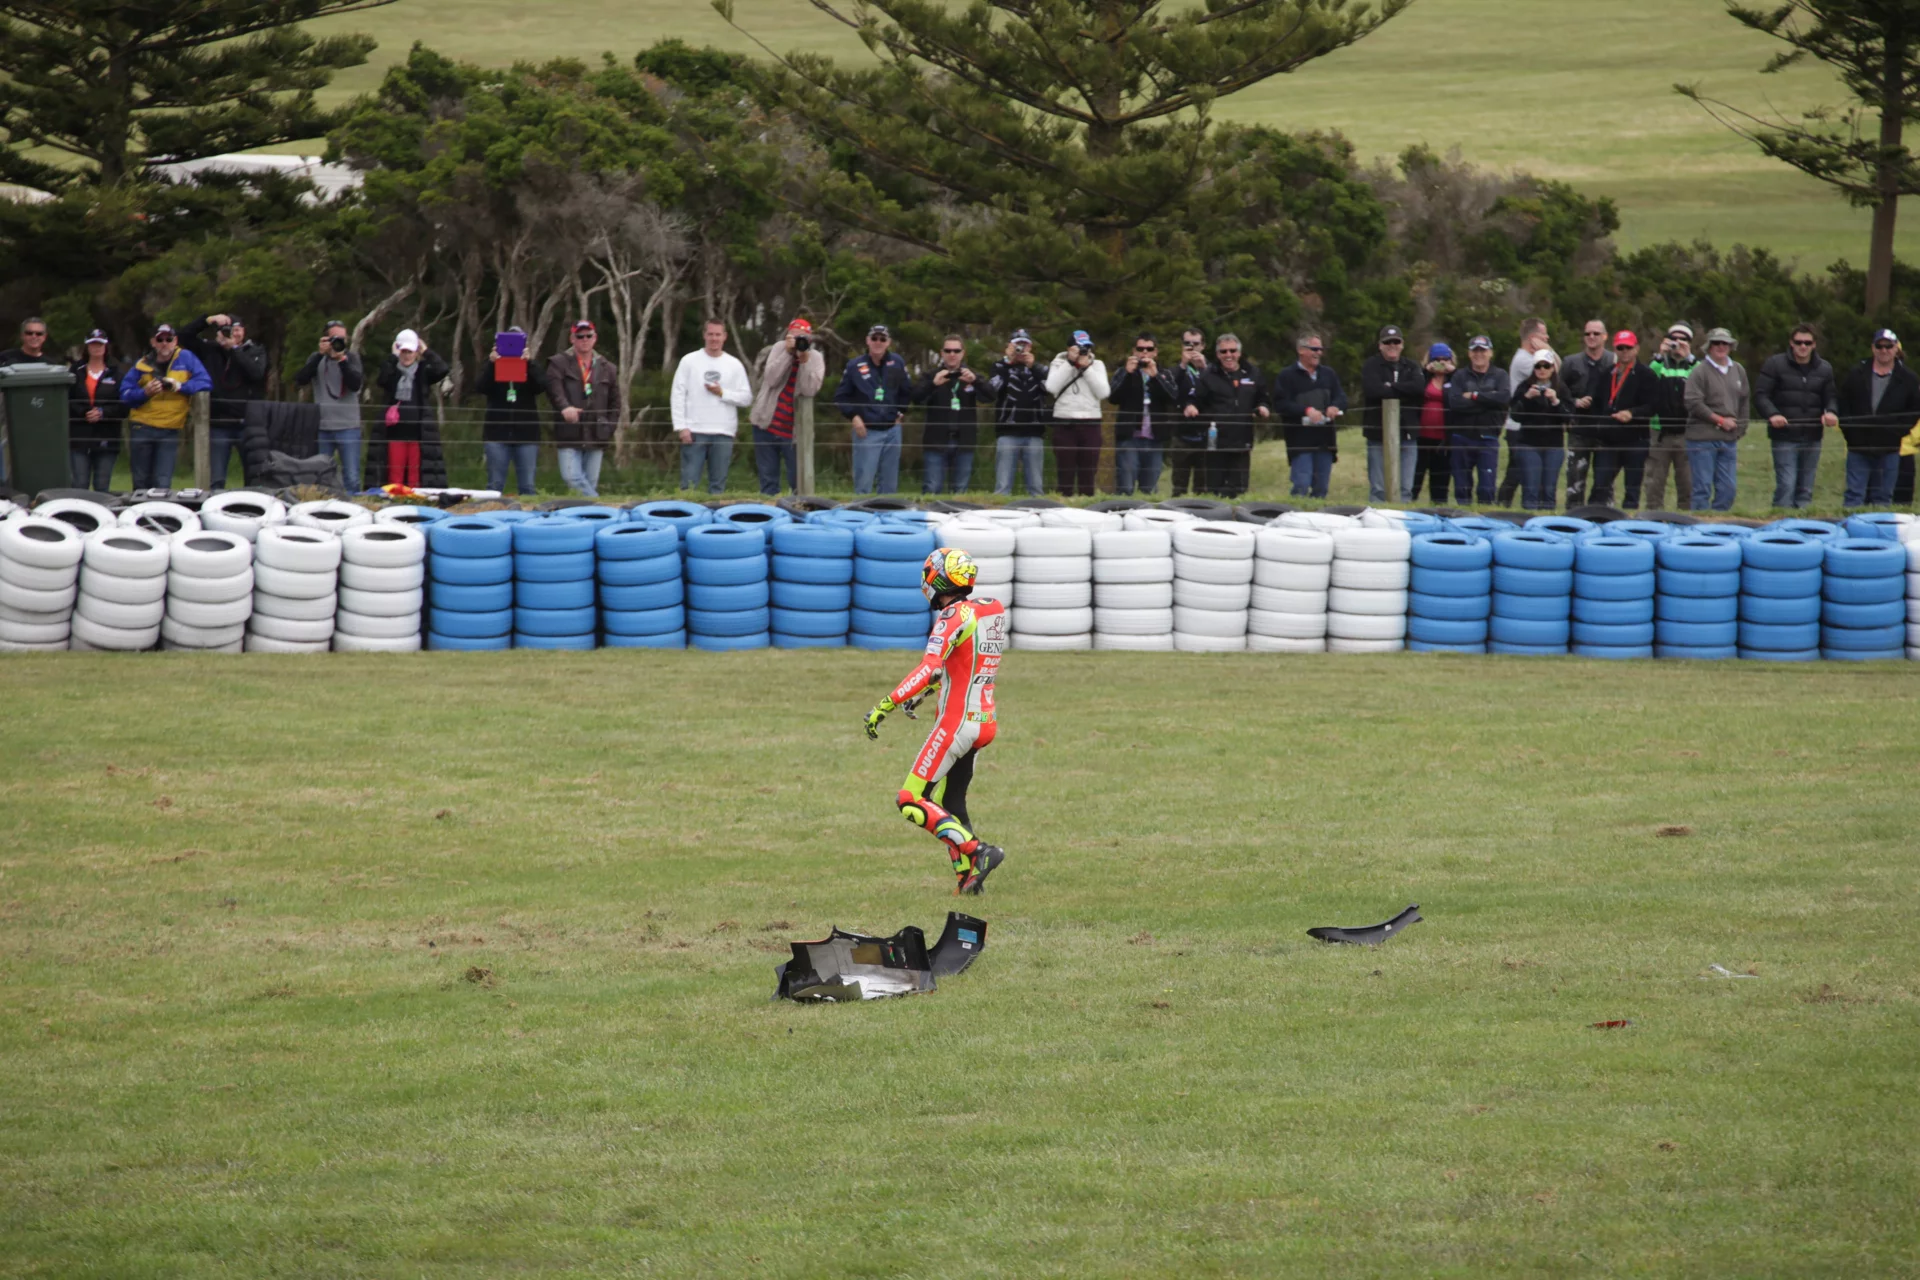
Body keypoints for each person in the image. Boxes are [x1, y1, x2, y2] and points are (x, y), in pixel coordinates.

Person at [862, 548, 1008, 896]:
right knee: (949, 803)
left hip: (956, 725)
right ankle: (968, 881)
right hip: (984, 721)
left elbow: (930, 667)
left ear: (937, 580)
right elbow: (959, 666)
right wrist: (925, 693)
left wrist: (885, 706)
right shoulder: (990, 609)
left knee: (909, 799)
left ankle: (980, 852)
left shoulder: (952, 616)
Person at [117, 323, 211, 493]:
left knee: (162, 482)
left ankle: (160, 510)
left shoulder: (186, 358)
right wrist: (145, 393)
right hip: (142, 427)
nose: (165, 343)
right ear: (153, 342)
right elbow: (125, 394)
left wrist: (180, 386)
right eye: (160, 339)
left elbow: (205, 382)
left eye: (169, 339)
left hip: (170, 429)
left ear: (175, 341)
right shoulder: (142, 364)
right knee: (140, 482)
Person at [1753, 325, 1838, 510]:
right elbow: (1761, 395)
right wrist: (1772, 414)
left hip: (1813, 436)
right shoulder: (1775, 364)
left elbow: (1830, 396)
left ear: (1814, 345)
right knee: (1787, 484)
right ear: (1791, 343)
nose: (1803, 346)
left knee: (1806, 488)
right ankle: (1781, 520)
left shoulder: (1824, 368)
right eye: (1798, 342)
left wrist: (1831, 411)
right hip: (1784, 435)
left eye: (1807, 343)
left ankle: (1803, 522)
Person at [1837, 329, 1920, 506]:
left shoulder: (1909, 379)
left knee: (1882, 498)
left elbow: (1913, 412)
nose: (1884, 350)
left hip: (1889, 449)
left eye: (1888, 346)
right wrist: (1851, 434)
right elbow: (1843, 405)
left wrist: (1896, 434)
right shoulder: (1856, 374)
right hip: (1858, 447)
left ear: (1896, 348)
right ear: (1873, 348)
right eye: (1879, 346)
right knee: (1854, 495)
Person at [183, 312, 267, 489]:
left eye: (236, 330)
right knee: (217, 479)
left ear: (243, 331)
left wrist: (234, 349)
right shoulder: (211, 350)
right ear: (218, 333)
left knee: (254, 477)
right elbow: (183, 337)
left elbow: (256, 374)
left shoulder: (255, 351)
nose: (233, 334)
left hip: (247, 423)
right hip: (218, 424)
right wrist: (207, 320)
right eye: (227, 330)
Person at [748, 317, 826, 496]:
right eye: (794, 336)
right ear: (787, 336)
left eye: (802, 337)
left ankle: (797, 510)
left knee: (797, 481)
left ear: (809, 339)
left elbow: (809, 390)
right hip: (766, 424)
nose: (798, 340)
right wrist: (787, 354)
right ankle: (768, 508)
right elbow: (771, 378)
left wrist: (804, 360)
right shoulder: (779, 348)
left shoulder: (816, 358)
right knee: (768, 481)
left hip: (794, 431)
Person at [832, 323, 913, 495]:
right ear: (867, 340)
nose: (878, 342)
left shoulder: (897, 362)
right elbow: (841, 397)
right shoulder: (855, 365)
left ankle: (887, 510)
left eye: (882, 339)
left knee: (889, 484)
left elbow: (906, 391)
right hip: (866, 431)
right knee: (864, 482)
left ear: (888, 342)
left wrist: (901, 412)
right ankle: (861, 509)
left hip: (892, 429)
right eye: (874, 338)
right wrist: (854, 417)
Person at [549, 319, 624, 498]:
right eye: (580, 336)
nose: (584, 339)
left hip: (597, 432)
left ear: (595, 338)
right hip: (569, 431)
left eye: (588, 336)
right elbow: (554, 391)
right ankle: (600, 505)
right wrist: (565, 408)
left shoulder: (607, 367)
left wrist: (609, 426)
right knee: (572, 477)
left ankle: (591, 511)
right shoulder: (558, 363)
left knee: (590, 483)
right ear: (572, 339)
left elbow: (615, 402)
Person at [1189, 333, 1269, 497]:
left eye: (1232, 351)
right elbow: (1194, 399)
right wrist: (1190, 406)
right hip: (1215, 441)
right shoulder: (1207, 375)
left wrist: (1263, 407)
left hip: (1242, 439)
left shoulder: (1252, 373)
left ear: (1239, 353)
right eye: (1223, 351)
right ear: (1217, 354)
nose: (1228, 355)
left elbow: (1263, 397)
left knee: (1239, 489)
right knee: (1214, 490)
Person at [1587, 331, 1658, 509]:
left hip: (1635, 439)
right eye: (1620, 347)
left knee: (1632, 487)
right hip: (1608, 440)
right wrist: (1599, 426)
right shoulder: (1606, 374)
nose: (1624, 351)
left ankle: (1629, 520)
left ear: (1636, 348)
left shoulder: (1646, 375)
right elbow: (1597, 404)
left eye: (1628, 347)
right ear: (1615, 349)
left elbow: (1653, 406)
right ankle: (1595, 516)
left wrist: (1633, 413)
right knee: (1600, 484)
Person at [1681, 328, 1749, 512]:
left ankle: (1718, 522)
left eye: (1724, 343)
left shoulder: (1738, 370)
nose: (1721, 347)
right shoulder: (1699, 371)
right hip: (1701, 438)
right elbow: (1693, 402)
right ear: (1709, 347)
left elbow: (1744, 401)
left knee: (1728, 490)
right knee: (1702, 488)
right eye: (1716, 343)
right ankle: (1700, 524)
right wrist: (1719, 420)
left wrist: (1740, 428)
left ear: (1730, 346)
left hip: (1729, 439)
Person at [1272, 332, 1346, 499]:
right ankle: (1297, 513)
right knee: (1301, 485)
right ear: (1301, 350)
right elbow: (1281, 404)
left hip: (1325, 441)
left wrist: (1335, 406)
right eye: (1314, 349)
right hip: (1300, 441)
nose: (1318, 353)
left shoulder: (1328, 374)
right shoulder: (1286, 376)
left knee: (1321, 488)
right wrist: (1306, 411)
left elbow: (1341, 397)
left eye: (1320, 349)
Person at [294, 319, 366, 491]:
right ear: (325, 339)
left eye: (342, 338)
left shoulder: (352, 358)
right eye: (335, 338)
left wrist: (342, 361)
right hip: (323, 427)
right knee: (321, 475)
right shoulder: (316, 358)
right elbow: (300, 380)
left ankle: (352, 505)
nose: (338, 342)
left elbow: (355, 385)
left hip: (348, 426)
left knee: (352, 477)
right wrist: (320, 355)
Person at [373, 329, 448, 491]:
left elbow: (442, 369)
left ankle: (415, 502)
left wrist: (426, 351)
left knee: (415, 476)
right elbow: (382, 379)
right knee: (395, 475)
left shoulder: (423, 370)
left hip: (418, 433)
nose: (407, 356)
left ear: (416, 352)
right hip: (395, 433)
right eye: (403, 351)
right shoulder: (392, 370)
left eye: (410, 352)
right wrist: (393, 357)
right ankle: (395, 501)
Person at [475, 327, 545, 496]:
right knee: (495, 484)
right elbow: (480, 387)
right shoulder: (492, 365)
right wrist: (491, 364)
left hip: (527, 434)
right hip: (497, 434)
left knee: (527, 486)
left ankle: (529, 513)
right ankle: (492, 511)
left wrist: (529, 363)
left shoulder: (530, 366)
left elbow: (542, 386)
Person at [1108, 332, 1178, 495]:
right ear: (1134, 351)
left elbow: (1172, 398)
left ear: (1155, 352)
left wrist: (1155, 377)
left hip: (1155, 438)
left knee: (1150, 488)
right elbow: (1113, 397)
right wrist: (1127, 373)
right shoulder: (1124, 371)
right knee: (1126, 487)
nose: (1144, 352)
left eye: (1149, 349)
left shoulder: (1164, 373)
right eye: (1140, 349)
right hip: (1129, 437)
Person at [911, 334, 982, 495]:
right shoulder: (931, 375)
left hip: (964, 441)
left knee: (960, 491)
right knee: (932, 488)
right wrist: (932, 385)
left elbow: (990, 396)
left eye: (956, 351)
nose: (952, 354)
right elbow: (916, 399)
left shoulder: (970, 375)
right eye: (948, 351)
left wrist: (976, 382)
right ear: (941, 353)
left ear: (963, 353)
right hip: (936, 441)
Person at [1496, 317, 1556, 506]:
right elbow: (1555, 370)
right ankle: (1502, 504)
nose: (1547, 338)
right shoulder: (1525, 360)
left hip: (1528, 426)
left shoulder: (1530, 358)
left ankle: (1507, 503)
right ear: (1532, 338)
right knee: (1517, 471)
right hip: (1517, 426)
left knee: (1521, 471)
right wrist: (1548, 350)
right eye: (1543, 334)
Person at [1443, 335, 1510, 505]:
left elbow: (1503, 398)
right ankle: (1463, 517)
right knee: (1461, 487)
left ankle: (1485, 517)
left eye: (1483, 350)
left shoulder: (1500, 375)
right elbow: (1455, 403)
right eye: (1475, 351)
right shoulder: (1459, 376)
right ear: (1469, 353)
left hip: (1488, 437)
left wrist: (1474, 396)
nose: (1479, 354)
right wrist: (1488, 402)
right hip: (1462, 437)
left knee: (1487, 488)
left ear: (1490, 353)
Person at [1360, 325, 1423, 503]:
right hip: (1377, 433)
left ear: (1402, 344)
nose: (1392, 345)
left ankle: (1402, 516)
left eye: (1396, 342)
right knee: (1378, 488)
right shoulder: (1371, 365)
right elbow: (1373, 390)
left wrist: (1391, 386)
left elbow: (1419, 388)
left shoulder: (1411, 366)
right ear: (1380, 345)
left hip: (1407, 432)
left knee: (1406, 488)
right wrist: (1403, 391)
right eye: (1388, 342)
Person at [1046, 329, 1110, 496]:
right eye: (1080, 347)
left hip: (1090, 422)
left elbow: (1103, 392)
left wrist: (1087, 368)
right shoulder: (1058, 364)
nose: (1084, 351)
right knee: (1065, 470)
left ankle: (1086, 501)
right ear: (1069, 348)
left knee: (1088, 471)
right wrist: (1069, 363)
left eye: (1087, 347)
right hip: (1064, 421)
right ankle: (1064, 501)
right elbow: (1051, 387)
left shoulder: (1097, 365)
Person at [988, 328, 1049, 496]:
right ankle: (1000, 508)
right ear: (1009, 346)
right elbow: (993, 389)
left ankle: (1038, 508)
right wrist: (1008, 363)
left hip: (1034, 432)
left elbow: (1050, 388)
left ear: (1030, 347)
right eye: (1017, 345)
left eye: (1024, 345)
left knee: (1036, 486)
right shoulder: (999, 366)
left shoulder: (1040, 369)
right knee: (1003, 486)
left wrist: (1033, 367)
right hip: (1007, 431)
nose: (1021, 349)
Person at [1560, 319, 1614, 507]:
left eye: (1596, 333)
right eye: (1587, 333)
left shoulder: (1614, 361)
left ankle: (1604, 517)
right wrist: (1575, 402)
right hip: (1579, 428)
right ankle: (1573, 516)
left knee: (1605, 481)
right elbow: (1559, 392)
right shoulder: (1571, 362)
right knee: (1575, 481)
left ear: (1605, 336)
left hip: (1606, 430)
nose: (1591, 337)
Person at [1644, 323, 1697, 509]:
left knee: (1687, 480)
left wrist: (1688, 357)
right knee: (1654, 480)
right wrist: (1660, 356)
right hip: (1660, 432)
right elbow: (1649, 380)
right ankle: (1653, 515)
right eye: (1674, 339)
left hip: (1687, 433)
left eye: (1683, 340)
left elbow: (1699, 382)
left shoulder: (1696, 366)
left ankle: (1687, 515)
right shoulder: (1658, 364)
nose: (1678, 343)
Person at [1510, 350, 1571, 510]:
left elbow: (1568, 417)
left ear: (1552, 368)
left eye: (1546, 366)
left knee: (1549, 490)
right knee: (1531, 488)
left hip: (1554, 445)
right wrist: (1527, 398)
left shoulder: (1561, 388)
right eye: (1538, 366)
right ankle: (1529, 520)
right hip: (1529, 443)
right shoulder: (1524, 387)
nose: (1542, 369)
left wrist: (1555, 401)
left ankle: (1548, 521)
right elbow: (1514, 415)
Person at [66, 329, 125, 490]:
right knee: (80, 483)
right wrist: (83, 412)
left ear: (106, 346)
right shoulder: (75, 371)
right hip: (79, 435)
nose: (96, 347)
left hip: (107, 436)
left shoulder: (116, 372)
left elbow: (123, 405)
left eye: (100, 344)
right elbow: (67, 399)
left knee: (101, 484)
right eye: (93, 344)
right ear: (87, 346)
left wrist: (103, 412)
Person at [1, 317, 54, 487]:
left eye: (38, 333)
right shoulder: (6, 358)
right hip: (10, 422)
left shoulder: (50, 365)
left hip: (39, 424)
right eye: (29, 333)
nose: (34, 336)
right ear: (22, 336)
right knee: (9, 465)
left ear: (44, 337)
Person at [1168, 327, 1212, 496]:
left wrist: (1204, 369)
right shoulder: (1175, 371)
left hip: (1206, 433)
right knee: (1179, 486)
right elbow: (1171, 393)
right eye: (1187, 343)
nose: (1192, 347)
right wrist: (1183, 365)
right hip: (1182, 434)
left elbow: (1217, 392)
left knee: (1203, 485)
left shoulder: (1212, 370)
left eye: (1196, 344)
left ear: (1203, 346)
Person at [1411, 343, 1454, 503]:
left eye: (1445, 359)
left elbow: (1460, 394)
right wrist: (1425, 371)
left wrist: (1453, 372)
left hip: (1444, 439)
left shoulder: (1455, 378)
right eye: (1437, 359)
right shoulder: (1423, 377)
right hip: (1422, 437)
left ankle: (1439, 510)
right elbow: (1414, 391)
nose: (1441, 363)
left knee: (1440, 483)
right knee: (1415, 478)